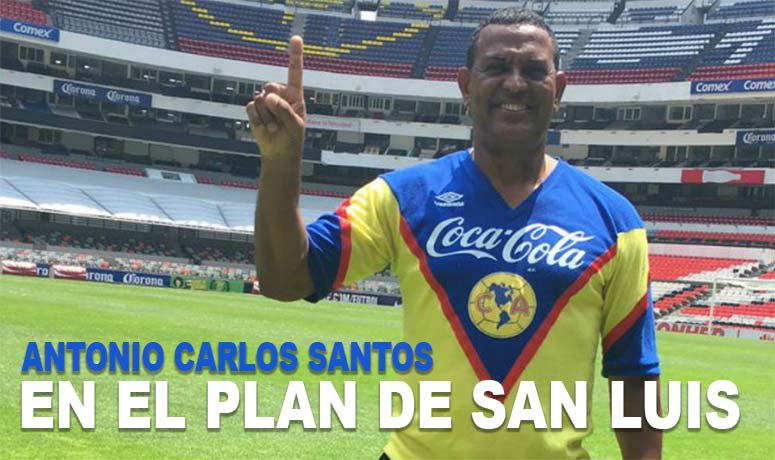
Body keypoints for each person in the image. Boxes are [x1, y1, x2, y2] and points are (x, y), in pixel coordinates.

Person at [247, 8, 661, 459]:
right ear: (465, 86)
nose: (515, 83)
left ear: (558, 89)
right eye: (497, 67)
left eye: (534, 70)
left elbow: (634, 375)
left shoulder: (615, 222)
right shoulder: (402, 197)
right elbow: (286, 280)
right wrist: (281, 161)